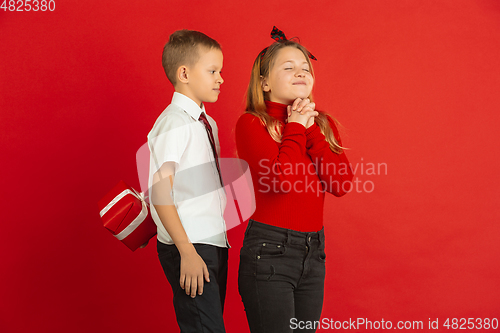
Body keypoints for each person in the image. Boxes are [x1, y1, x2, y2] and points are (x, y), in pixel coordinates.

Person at [235, 26, 354, 333]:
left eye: (305, 68)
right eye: (288, 68)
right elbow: (279, 181)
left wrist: (311, 127)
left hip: (313, 253)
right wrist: (296, 126)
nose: (300, 73)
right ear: (264, 82)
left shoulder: (322, 125)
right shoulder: (252, 123)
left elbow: (340, 183)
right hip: (270, 251)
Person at [147, 29, 228, 333]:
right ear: (184, 73)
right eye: (212, 71)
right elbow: (160, 192)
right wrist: (187, 251)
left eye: (220, 71)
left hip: (213, 240)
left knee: (210, 324)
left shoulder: (208, 124)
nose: (220, 79)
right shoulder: (173, 123)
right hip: (190, 243)